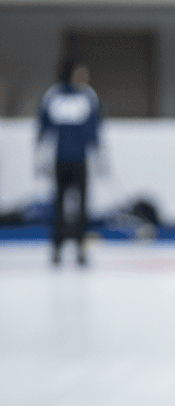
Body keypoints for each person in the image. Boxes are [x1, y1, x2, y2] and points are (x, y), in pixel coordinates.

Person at [36, 58, 102, 266]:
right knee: (58, 204)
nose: (85, 77)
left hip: (80, 159)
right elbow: (43, 126)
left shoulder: (88, 96)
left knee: (82, 205)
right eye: (81, 73)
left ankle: (80, 246)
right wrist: (41, 155)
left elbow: (94, 128)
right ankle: (57, 246)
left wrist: (98, 155)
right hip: (60, 159)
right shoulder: (53, 95)